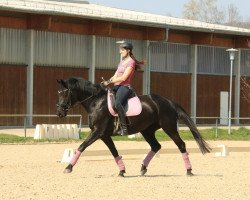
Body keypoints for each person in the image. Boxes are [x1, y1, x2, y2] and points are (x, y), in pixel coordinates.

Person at [102, 41, 144, 135]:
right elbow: (115, 75)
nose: (120, 52)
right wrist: (106, 82)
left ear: (128, 50)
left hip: (125, 87)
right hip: (117, 86)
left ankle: (124, 128)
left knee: (117, 103)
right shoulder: (122, 61)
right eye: (120, 50)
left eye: (122, 50)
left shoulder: (131, 63)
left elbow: (124, 78)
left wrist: (109, 82)